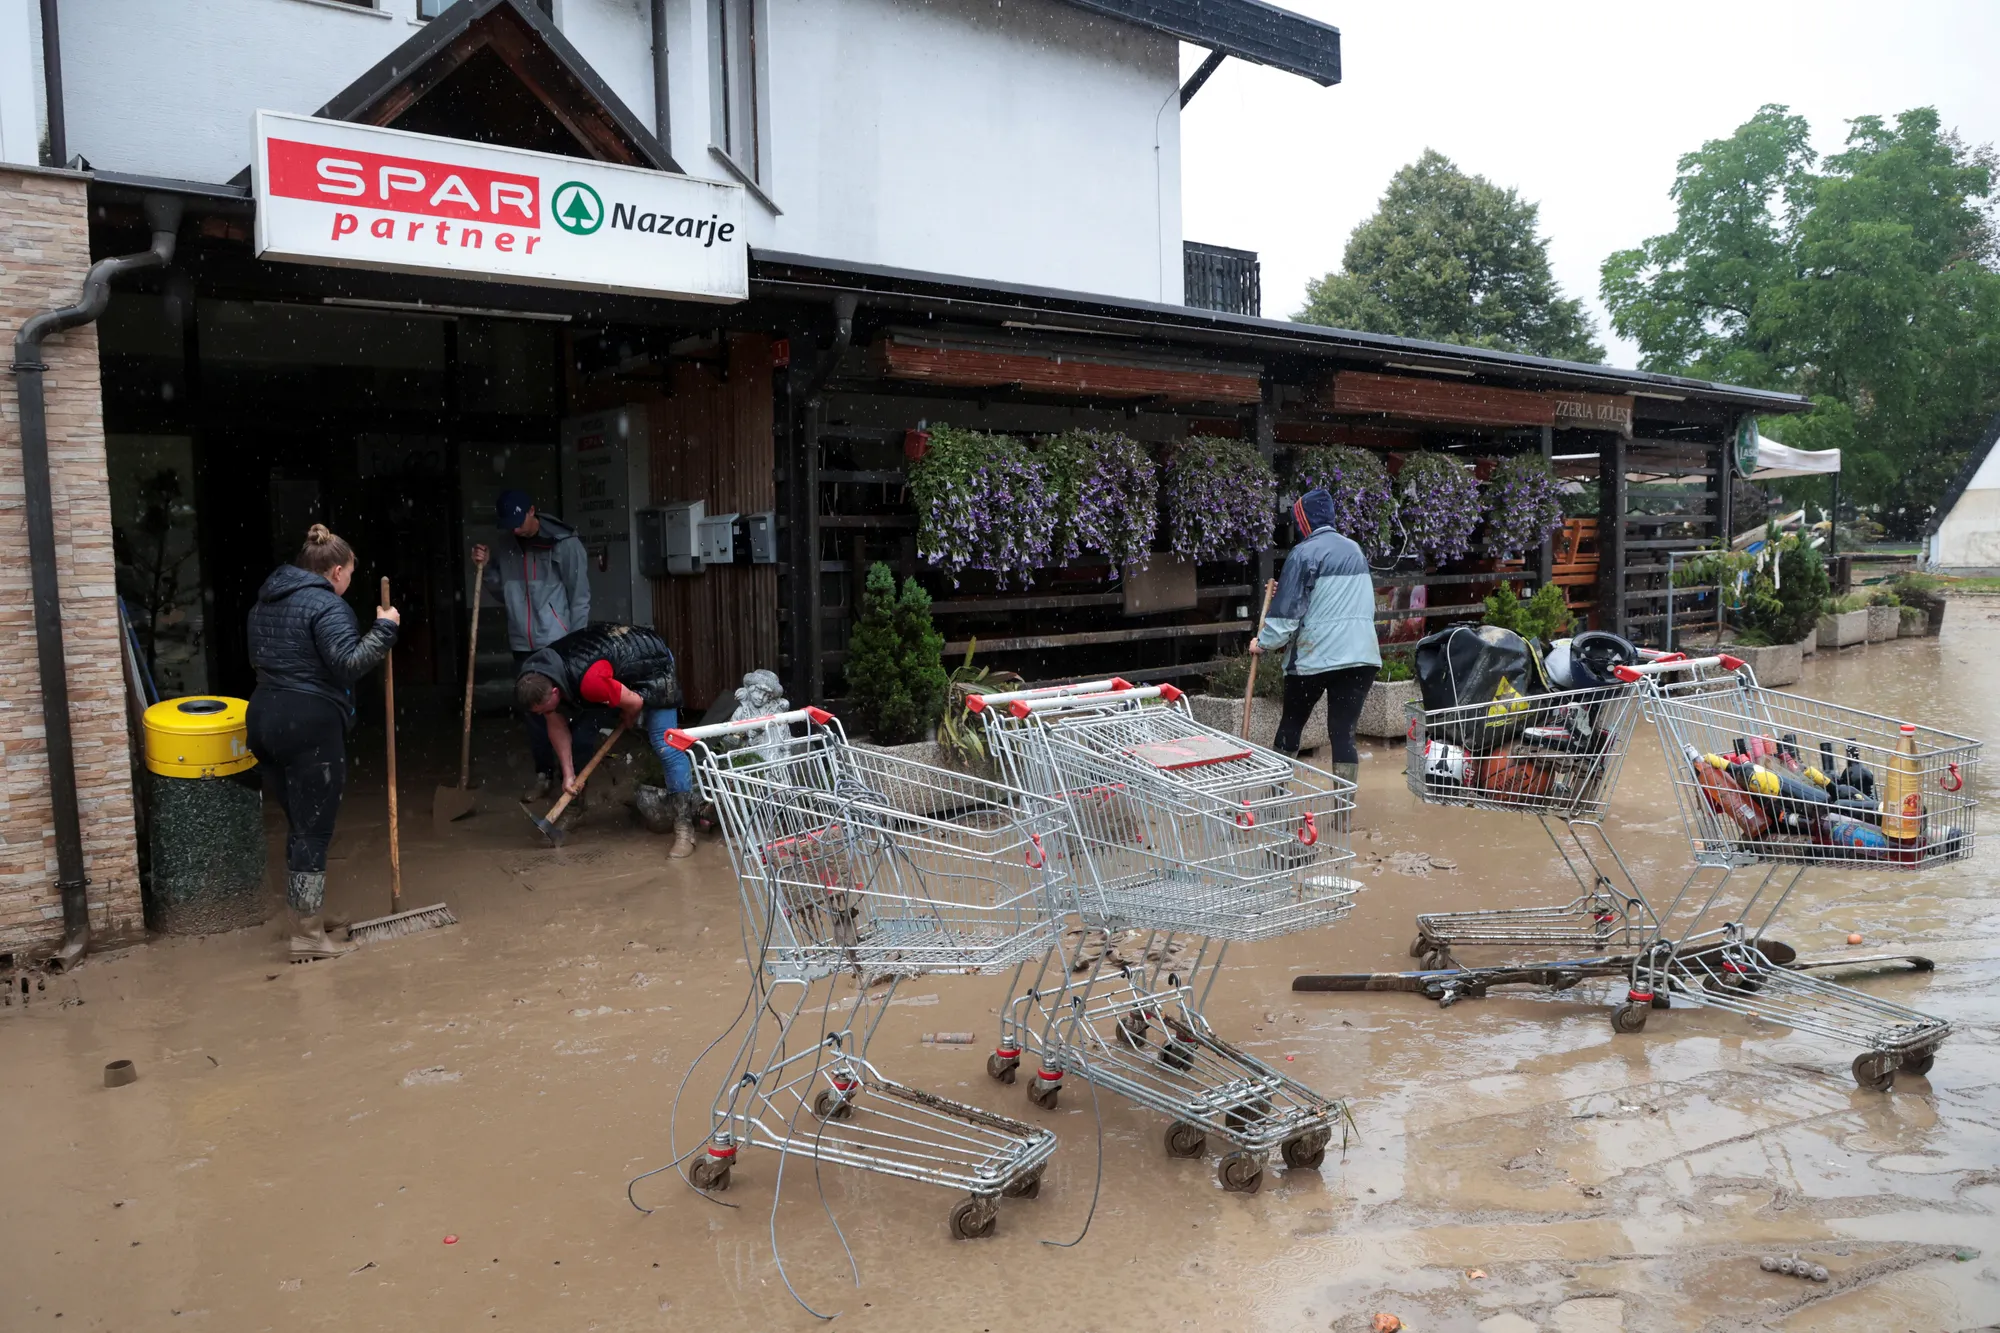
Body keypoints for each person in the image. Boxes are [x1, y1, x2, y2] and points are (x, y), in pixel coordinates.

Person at [246, 524, 401, 962]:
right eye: (349, 574)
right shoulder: (327, 605)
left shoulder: (266, 599)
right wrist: (385, 629)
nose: (348, 581)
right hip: (307, 723)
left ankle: (305, 916)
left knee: (300, 823)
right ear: (336, 571)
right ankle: (308, 936)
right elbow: (348, 664)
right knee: (313, 829)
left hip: (264, 716)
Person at [515, 623, 696, 857]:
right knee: (580, 739)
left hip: (650, 661)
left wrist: (629, 714)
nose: (543, 715)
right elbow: (555, 722)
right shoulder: (534, 676)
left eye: (544, 709)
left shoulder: (589, 682)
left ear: (556, 692)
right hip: (609, 667)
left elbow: (635, 703)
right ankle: (575, 807)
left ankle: (685, 826)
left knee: (665, 745)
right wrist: (569, 775)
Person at [1250, 487, 1381, 785]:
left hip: (1314, 658)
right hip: (1361, 657)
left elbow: (1286, 618)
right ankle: (1343, 806)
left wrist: (1263, 644)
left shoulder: (1303, 553)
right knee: (1343, 733)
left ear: (1304, 521)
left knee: (1292, 724)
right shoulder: (1355, 550)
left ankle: (1276, 797)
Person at [472, 489, 591, 802]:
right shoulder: (507, 544)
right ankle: (544, 775)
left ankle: (575, 778)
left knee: (566, 710)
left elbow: (579, 597)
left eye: (518, 522)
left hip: (558, 643)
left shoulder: (564, 544)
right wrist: (486, 569)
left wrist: (576, 643)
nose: (514, 529)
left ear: (532, 511)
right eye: (508, 524)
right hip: (522, 643)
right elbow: (503, 592)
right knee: (534, 712)